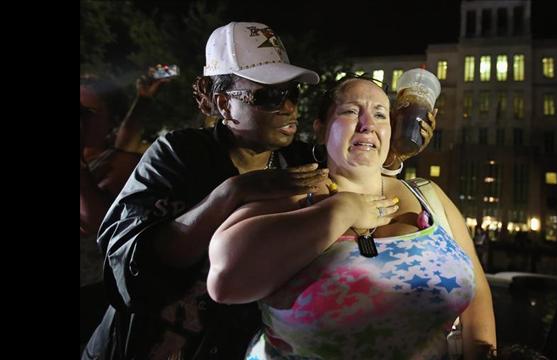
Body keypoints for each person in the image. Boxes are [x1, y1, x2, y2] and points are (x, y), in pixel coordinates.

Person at [82, 21, 435, 359]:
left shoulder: (300, 163)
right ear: (224, 104)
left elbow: (355, 176)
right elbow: (126, 268)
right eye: (269, 95)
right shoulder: (178, 154)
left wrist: (393, 153)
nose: (289, 107)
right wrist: (231, 194)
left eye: (293, 92)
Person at [207, 76, 496, 359]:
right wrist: (341, 210)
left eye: (380, 115)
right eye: (350, 111)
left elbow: (477, 298)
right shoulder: (291, 196)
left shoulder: (429, 197)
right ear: (320, 129)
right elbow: (225, 280)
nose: (367, 124)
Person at [80, 73, 171, 349]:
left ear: (109, 121)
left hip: (90, 292)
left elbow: (97, 220)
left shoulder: (117, 165)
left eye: (85, 112)